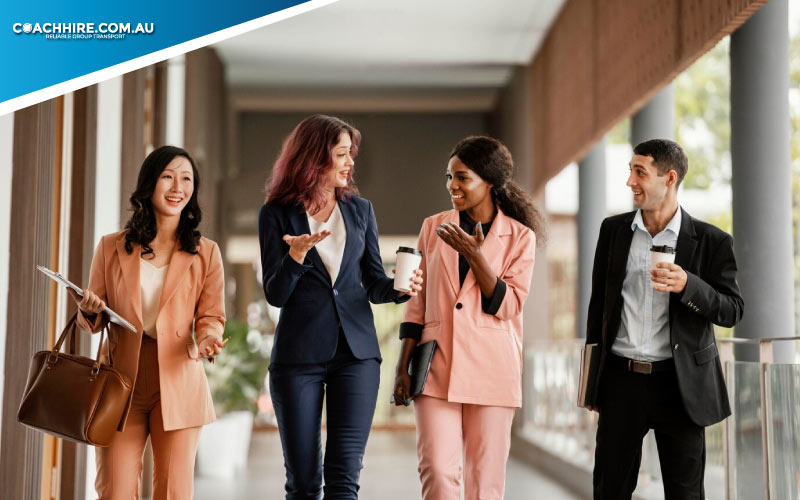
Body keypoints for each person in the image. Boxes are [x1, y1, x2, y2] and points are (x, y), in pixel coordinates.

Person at [258, 114, 422, 500]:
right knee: (303, 484)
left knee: (344, 482)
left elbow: (371, 283)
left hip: (357, 356)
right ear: (315, 158)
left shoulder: (360, 210)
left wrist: (401, 289)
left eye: (352, 154)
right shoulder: (276, 214)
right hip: (298, 358)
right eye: (342, 154)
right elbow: (275, 294)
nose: (350, 163)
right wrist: (295, 256)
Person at [585, 139, 744, 499]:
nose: (630, 181)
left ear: (669, 178)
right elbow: (599, 309)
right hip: (620, 381)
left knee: (685, 494)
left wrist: (689, 285)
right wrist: (592, 383)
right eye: (630, 170)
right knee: (609, 490)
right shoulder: (613, 232)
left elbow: (732, 309)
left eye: (639, 172)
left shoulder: (711, 241)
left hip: (680, 385)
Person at [69, 145, 226, 500]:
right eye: (168, 176)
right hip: (121, 379)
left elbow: (211, 315)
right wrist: (91, 308)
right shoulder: (111, 247)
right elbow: (92, 321)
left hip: (178, 377)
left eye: (186, 179)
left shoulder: (206, 253)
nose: (177, 187)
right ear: (149, 184)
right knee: (115, 489)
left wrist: (209, 338)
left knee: (173, 491)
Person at [392, 136, 543, 500]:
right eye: (449, 177)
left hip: (493, 371)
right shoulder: (434, 227)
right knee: (438, 473)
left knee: (485, 482)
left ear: (489, 182)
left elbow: (509, 305)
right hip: (436, 366)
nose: (452, 186)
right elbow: (417, 301)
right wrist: (402, 367)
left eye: (462, 178)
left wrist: (476, 256)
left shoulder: (520, 237)